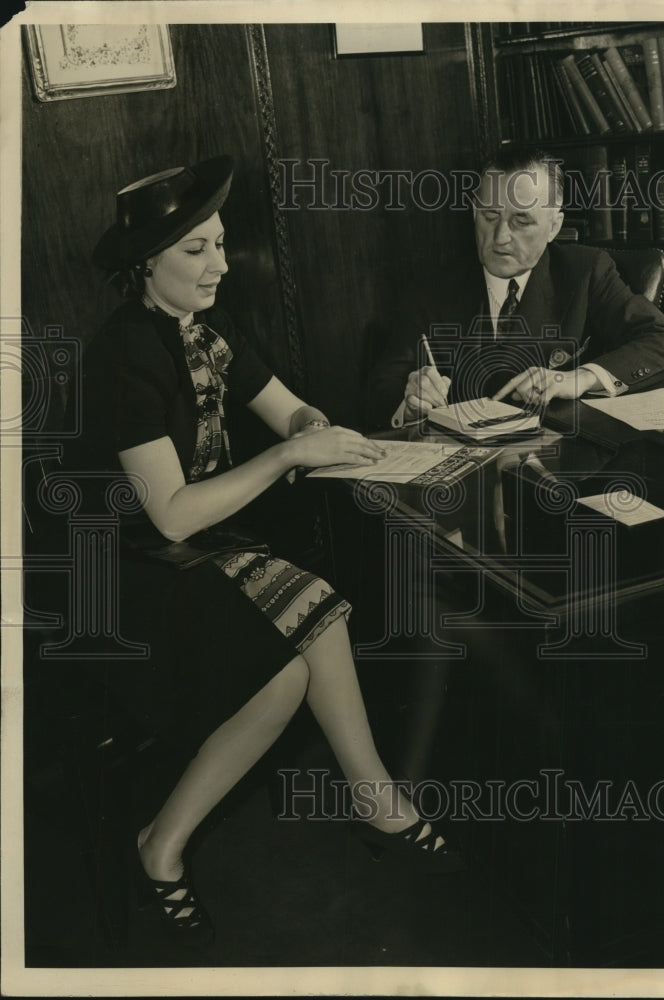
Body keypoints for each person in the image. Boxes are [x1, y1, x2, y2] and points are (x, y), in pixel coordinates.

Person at [70, 155, 462, 949]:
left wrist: (310, 427)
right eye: (195, 251)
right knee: (282, 674)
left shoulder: (209, 331)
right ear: (146, 266)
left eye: (219, 243)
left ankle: (371, 795)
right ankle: (161, 844)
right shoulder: (121, 356)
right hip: (124, 568)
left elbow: (287, 412)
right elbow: (172, 516)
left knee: (319, 606)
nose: (218, 262)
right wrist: (288, 458)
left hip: (200, 544)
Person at [365, 145, 664, 430]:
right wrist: (409, 404)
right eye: (490, 216)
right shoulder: (435, 286)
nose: (501, 236)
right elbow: (380, 390)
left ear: (553, 226)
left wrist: (577, 379)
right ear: (474, 212)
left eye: (521, 221)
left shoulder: (585, 272)